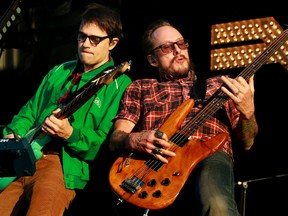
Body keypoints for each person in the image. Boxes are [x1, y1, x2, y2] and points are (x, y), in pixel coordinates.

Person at [109, 19, 258, 216]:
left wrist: (248, 112)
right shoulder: (141, 87)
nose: (178, 51)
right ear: (153, 60)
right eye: (167, 47)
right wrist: (136, 139)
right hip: (155, 163)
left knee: (217, 205)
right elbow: (116, 139)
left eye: (180, 44)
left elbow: (247, 142)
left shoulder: (220, 85)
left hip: (209, 154)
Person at [0, 3, 132, 216]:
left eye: (94, 39)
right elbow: (29, 111)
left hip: (60, 164)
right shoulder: (59, 70)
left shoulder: (121, 85)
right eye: (81, 36)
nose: (85, 44)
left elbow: (108, 143)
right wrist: (14, 135)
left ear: (113, 43)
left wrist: (70, 134)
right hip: (21, 155)